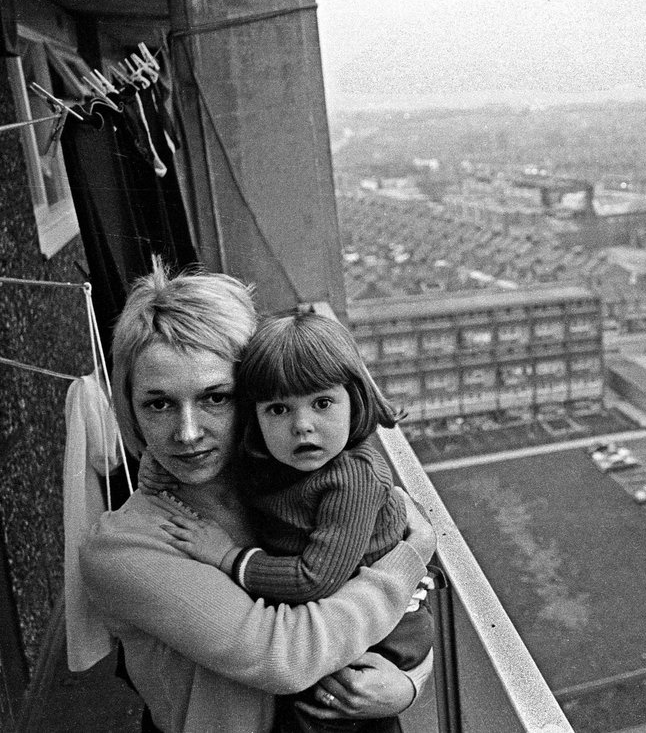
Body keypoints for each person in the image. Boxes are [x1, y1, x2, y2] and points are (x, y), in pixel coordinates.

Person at [79, 261, 436, 733]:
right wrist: (414, 554)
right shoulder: (123, 549)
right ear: (131, 409)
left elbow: (394, 613)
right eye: (159, 404)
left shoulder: (289, 482)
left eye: (214, 397)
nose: (187, 434)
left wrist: (408, 682)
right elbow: (284, 655)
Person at [160, 311, 435, 733]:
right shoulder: (275, 464)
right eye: (278, 409)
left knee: (323, 711)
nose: (302, 426)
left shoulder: (352, 476)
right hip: (342, 618)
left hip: (386, 633)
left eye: (322, 403)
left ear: (354, 400)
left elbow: (314, 579)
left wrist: (227, 556)